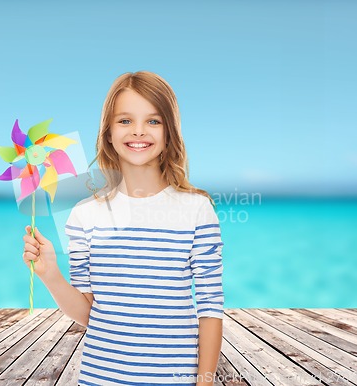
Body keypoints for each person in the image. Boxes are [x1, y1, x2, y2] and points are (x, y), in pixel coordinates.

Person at [22, 71, 224, 386]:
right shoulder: (84, 215)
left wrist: (205, 382)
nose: (139, 131)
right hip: (101, 378)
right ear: (108, 134)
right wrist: (50, 274)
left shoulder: (197, 209)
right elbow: (87, 313)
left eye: (154, 121)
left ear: (170, 132)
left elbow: (211, 307)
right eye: (125, 121)